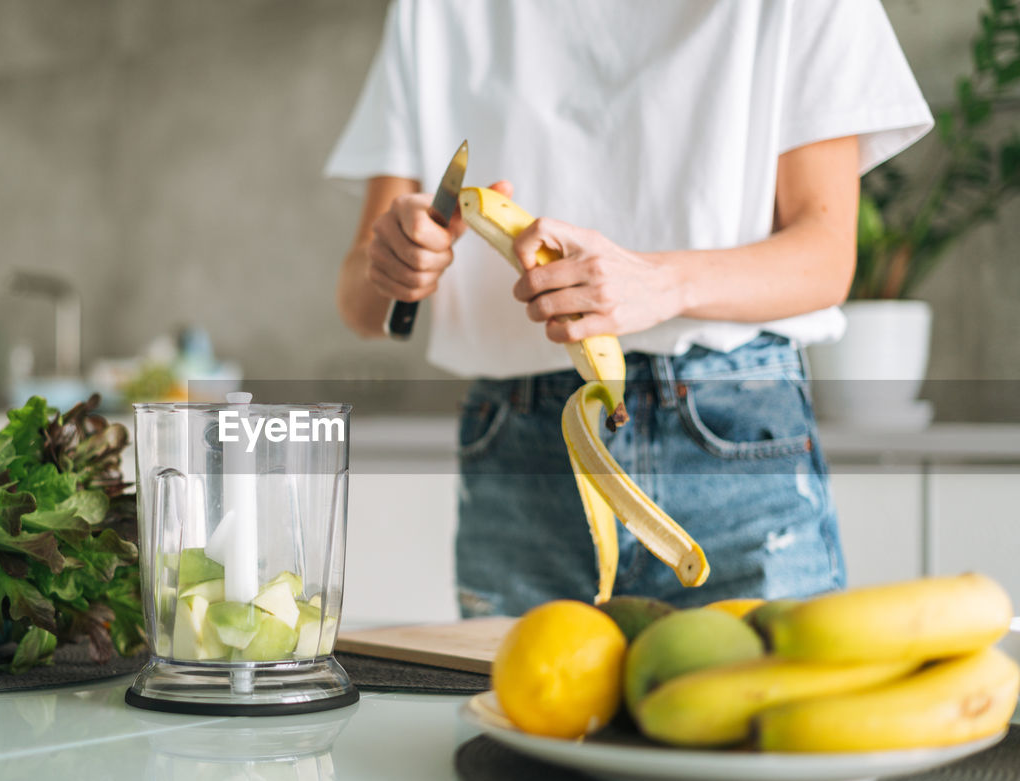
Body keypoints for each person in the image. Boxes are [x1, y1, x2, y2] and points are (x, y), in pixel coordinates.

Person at [325, 0, 932, 616]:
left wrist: (663, 283)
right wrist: (395, 263)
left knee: (759, 704)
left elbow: (826, 258)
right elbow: (360, 303)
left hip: (732, 436)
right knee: (518, 711)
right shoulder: (432, 12)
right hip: (519, 448)